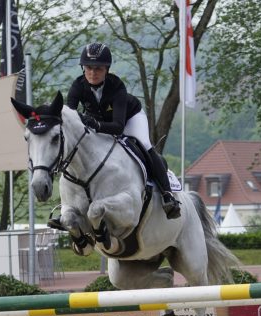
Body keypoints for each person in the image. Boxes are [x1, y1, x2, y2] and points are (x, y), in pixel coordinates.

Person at [66, 42, 180, 219]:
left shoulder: (116, 86)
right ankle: (68, 204)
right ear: (83, 68)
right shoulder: (77, 86)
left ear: (107, 69)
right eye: (88, 68)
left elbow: (118, 127)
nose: (93, 73)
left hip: (130, 118)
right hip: (100, 121)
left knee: (144, 144)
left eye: (98, 68)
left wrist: (94, 124)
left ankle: (167, 195)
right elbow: (69, 117)